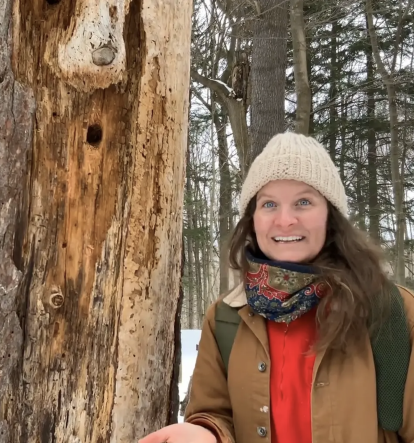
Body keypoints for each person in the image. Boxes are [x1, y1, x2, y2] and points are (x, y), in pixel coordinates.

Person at [139, 132, 414, 443]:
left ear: (331, 216)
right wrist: (206, 434)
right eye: (269, 204)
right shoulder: (227, 317)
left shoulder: (390, 311)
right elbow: (216, 412)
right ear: (252, 219)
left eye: (304, 202)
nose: (285, 221)